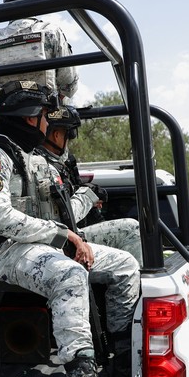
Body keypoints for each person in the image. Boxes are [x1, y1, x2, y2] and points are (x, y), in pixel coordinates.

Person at [0, 80, 153, 377]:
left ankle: (119, 371)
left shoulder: (30, 157)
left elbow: (57, 212)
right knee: (69, 272)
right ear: (30, 118)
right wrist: (64, 236)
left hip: (33, 245)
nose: (51, 125)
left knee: (126, 264)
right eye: (47, 116)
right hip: (2, 252)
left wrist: (68, 225)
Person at [34, 104, 144, 267]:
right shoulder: (43, 167)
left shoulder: (55, 163)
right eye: (67, 135)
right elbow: (61, 217)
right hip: (59, 240)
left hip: (61, 237)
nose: (68, 142)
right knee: (131, 229)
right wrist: (88, 195)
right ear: (57, 135)